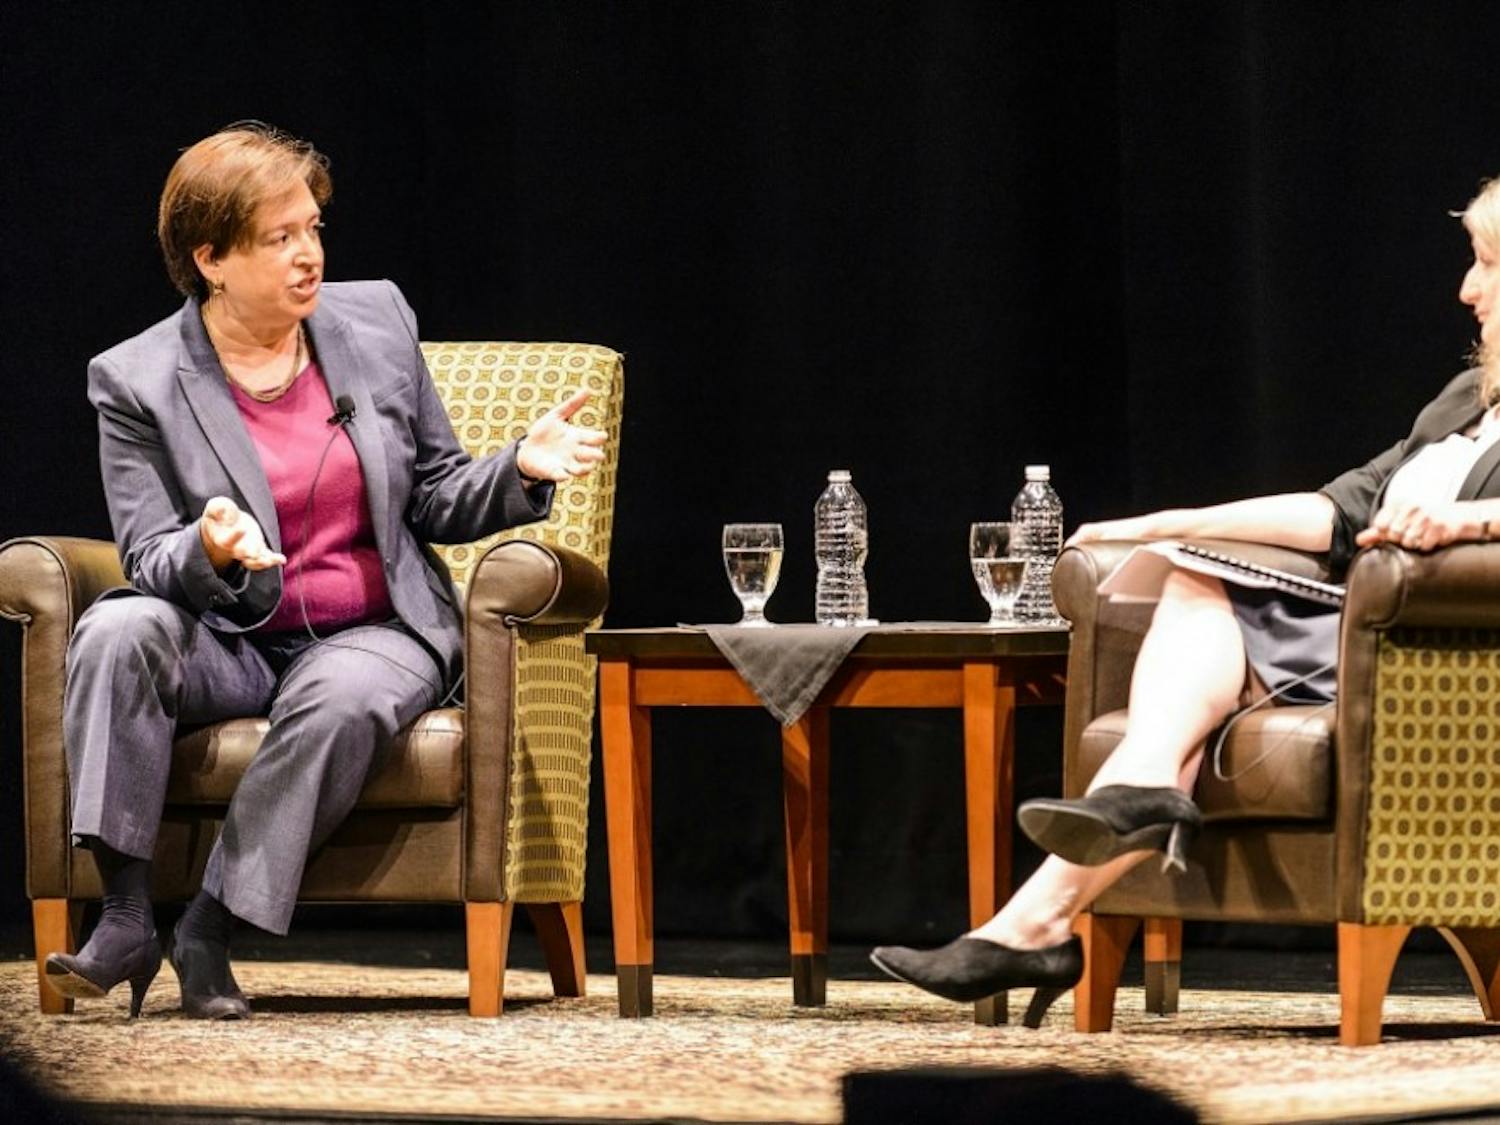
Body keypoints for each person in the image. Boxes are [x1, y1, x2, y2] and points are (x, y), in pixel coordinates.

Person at [872, 175, 1500, 1023]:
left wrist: (1470, 520)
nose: (1467, 288)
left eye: (1488, 263)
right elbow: (1337, 508)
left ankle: (1045, 913)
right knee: (1195, 566)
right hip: (1352, 621)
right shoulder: (1466, 401)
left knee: (1199, 605)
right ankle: (1078, 870)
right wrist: (1163, 520)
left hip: (1429, 650)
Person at [44, 123, 608, 1020]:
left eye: (312, 229)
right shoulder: (135, 378)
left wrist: (519, 469)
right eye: (279, 238)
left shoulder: (375, 320)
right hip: (225, 635)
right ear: (211, 258)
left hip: (374, 628)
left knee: (341, 696)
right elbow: (149, 553)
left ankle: (209, 926)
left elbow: (434, 492)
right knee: (115, 625)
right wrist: (208, 546)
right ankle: (121, 914)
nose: (308, 255)